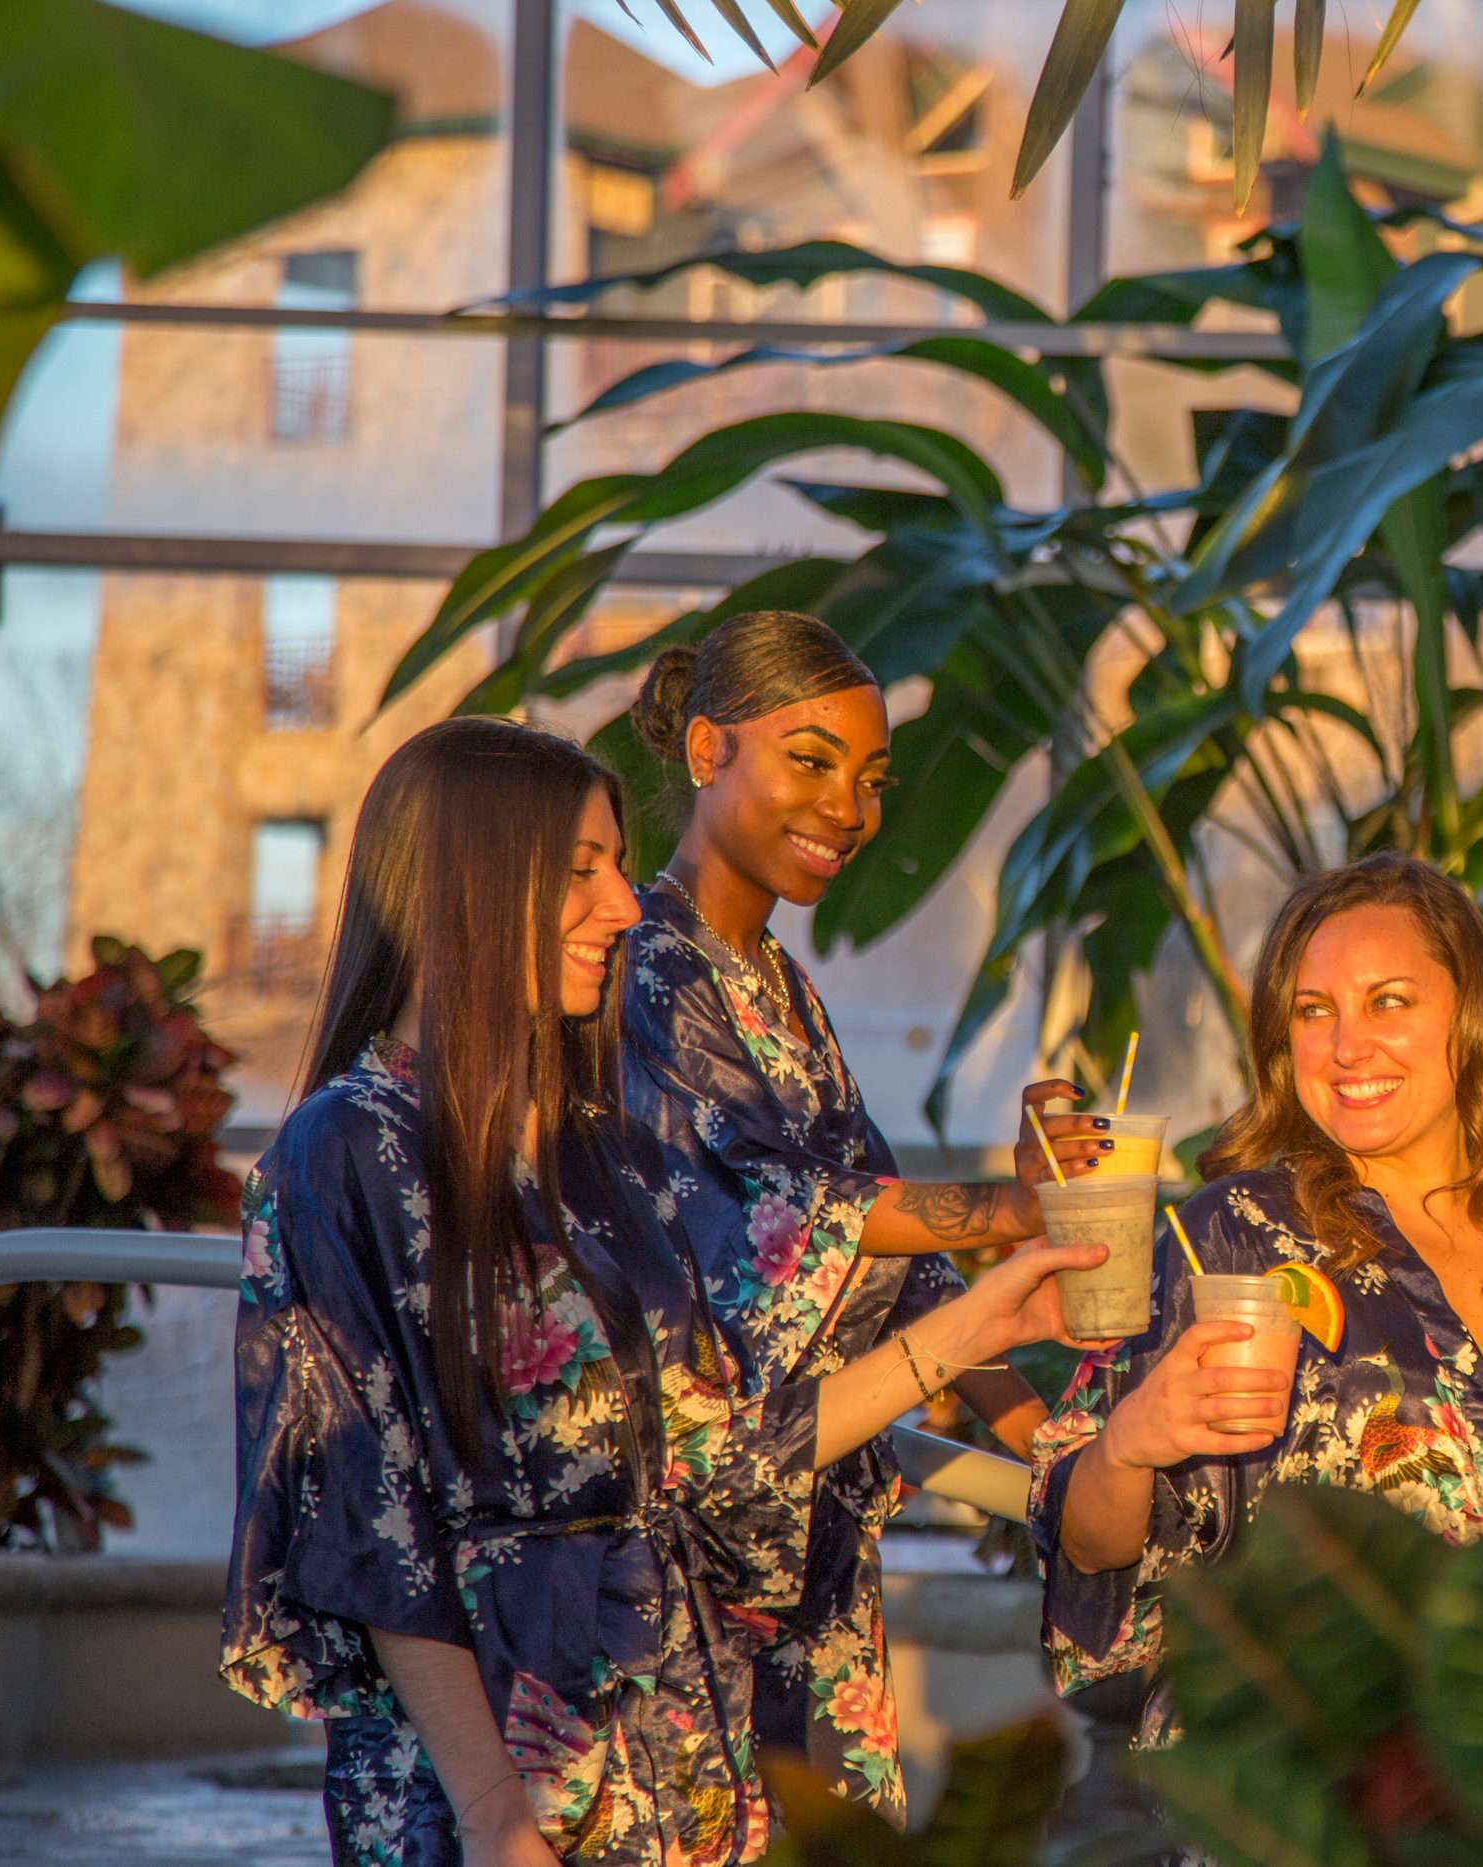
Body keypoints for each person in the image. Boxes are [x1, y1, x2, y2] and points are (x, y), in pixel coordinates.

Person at [220, 719, 1100, 1867]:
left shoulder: (601, 1150)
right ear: (468, 886)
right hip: (501, 1782)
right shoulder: (348, 1151)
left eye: (614, 867)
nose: (625, 907)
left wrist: (987, 1319)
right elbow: (367, 1527)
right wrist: (494, 1816)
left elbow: (719, 1456)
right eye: (579, 872)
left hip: (685, 1766)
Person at [617, 610, 1107, 1821]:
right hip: (689, 1560)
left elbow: (904, 1270)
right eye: (811, 760)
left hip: (816, 1561)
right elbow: (789, 1213)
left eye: (873, 777)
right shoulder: (641, 967)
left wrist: (1050, 1446)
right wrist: (1011, 1200)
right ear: (703, 753)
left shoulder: (782, 989)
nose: (849, 806)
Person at [1030, 852, 1483, 1741]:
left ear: (1472, 1015)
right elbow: (1092, 1550)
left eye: (1389, 1000)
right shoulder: (1234, 1238)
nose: (1348, 1046)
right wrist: (1128, 1447)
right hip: (1307, 1781)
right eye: (1314, 1012)